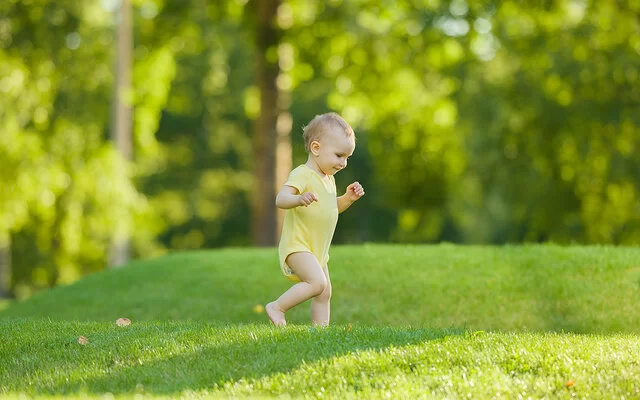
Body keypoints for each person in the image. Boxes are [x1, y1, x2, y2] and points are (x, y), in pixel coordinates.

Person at [265, 112, 365, 327]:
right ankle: (277, 307)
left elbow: (331, 209)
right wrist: (299, 198)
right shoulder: (304, 174)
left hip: (318, 251)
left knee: (325, 292)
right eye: (339, 155)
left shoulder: (328, 179)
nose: (343, 163)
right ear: (316, 148)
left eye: (347, 157)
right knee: (317, 283)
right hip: (298, 246)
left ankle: (320, 333)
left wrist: (347, 199)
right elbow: (281, 199)